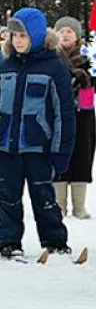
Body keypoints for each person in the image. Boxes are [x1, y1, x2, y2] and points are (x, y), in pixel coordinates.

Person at [0, 8, 75, 257]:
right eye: (14, 36)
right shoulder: (6, 67)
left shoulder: (54, 67)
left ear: (36, 35)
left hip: (37, 146)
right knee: (5, 196)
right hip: (5, 146)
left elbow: (63, 113)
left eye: (23, 36)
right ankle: (8, 240)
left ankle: (54, 240)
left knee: (44, 197)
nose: (17, 41)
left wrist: (61, 150)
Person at [51, 16, 92, 219]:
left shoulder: (88, 58)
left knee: (82, 156)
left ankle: (79, 205)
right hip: (56, 115)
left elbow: (89, 94)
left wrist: (85, 80)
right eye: (62, 31)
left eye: (70, 31)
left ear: (77, 36)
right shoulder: (50, 57)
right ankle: (59, 205)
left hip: (83, 115)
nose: (65, 35)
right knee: (59, 155)